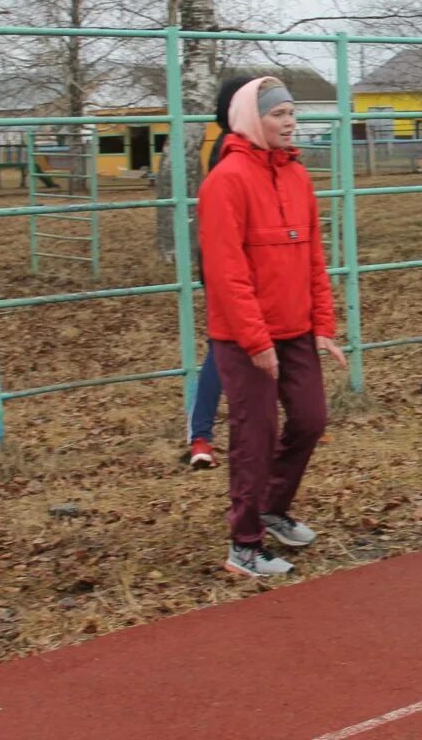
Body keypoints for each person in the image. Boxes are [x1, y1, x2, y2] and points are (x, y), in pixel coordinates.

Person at [199, 76, 347, 578]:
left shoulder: (297, 176)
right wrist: (256, 341)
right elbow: (225, 271)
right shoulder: (226, 179)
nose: (290, 122)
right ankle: (243, 544)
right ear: (250, 120)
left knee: (310, 420)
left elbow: (313, 258)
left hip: (297, 330)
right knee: (255, 435)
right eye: (278, 114)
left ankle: (271, 508)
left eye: (291, 112)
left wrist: (322, 324)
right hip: (244, 339)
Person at [184, 74, 254, 470]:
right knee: (223, 350)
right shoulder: (229, 155)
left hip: (235, 266)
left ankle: (203, 437)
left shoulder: (230, 148)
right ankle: (201, 436)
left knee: (229, 351)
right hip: (230, 267)